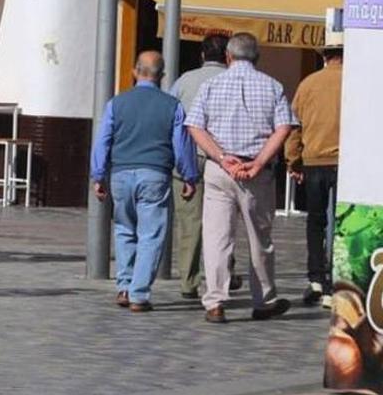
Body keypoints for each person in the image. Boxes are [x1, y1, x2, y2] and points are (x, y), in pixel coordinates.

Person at [186, 33, 297, 324]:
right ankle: (263, 301)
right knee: (260, 239)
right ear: (257, 58)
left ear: (228, 57)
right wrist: (259, 161)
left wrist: (222, 157)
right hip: (256, 172)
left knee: (217, 237)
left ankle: (215, 302)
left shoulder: (211, 84)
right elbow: (284, 127)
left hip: (220, 169)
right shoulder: (273, 86)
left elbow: (195, 126)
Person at [91, 52, 200, 312]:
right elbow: (181, 144)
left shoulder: (116, 103)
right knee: (151, 234)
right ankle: (139, 294)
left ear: (134, 71)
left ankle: (124, 285)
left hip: (120, 173)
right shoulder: (172, 105)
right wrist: (189, 175)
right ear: (162, 76)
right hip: (155, 173)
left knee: (124, 229)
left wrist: (98, 175)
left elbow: (103, 139)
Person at [167, 34, 241, 300]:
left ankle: (189, 281)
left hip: (187, 156)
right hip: (221, 158)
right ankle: (222, 276)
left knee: (190, 222)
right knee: (223, 221)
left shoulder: (184, 81)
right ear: (227, 56)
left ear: (201, 55)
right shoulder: (233, 82)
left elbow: (170, 117)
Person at [284, 39, 343, 308]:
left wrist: (292, 161)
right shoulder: (359, 82)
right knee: (340, 224)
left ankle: (317, 279)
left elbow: (295, 126)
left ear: (325, 56)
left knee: (315, 222)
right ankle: (336, 282)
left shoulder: (308, 84)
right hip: (346, 163)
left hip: (314, 161)